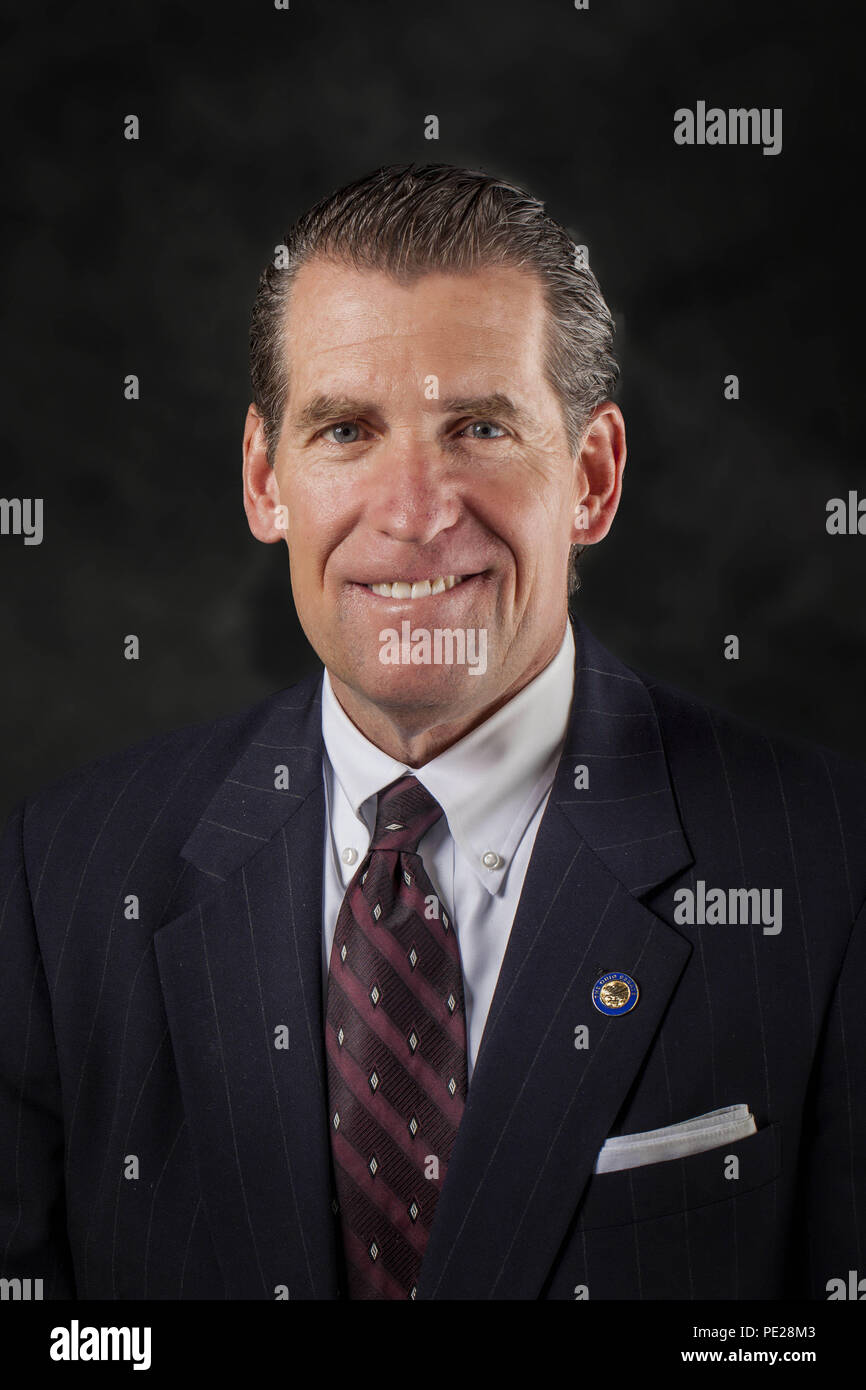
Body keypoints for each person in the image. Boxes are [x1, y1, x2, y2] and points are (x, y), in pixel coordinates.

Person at [1, 163, 863, 1301]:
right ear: (267, 481)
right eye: (347, 429)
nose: (414, 512)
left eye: (479, 427)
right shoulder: (60, 875)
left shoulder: (827, 868)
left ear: (591, 479)